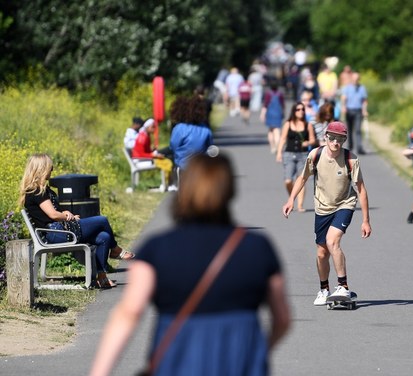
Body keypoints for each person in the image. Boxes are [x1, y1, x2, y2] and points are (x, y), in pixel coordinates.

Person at [90, 153, 290, 376]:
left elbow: (129, 313)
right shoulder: (257, 248)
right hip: (242, 364)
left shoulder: (157, 249)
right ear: (229, 192)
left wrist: (99, 372)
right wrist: (257, 353)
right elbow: (281, 319)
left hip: (177, 363)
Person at [282, 121, 372, 306]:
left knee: (333, 241)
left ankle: (343, 286)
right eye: (332, 138)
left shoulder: (351, 159)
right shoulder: (315, 155)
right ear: (326, 138)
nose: (335, 142)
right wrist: (291, 199)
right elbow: (303, 178)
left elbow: (361, 190)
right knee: (322, 252)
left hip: (345, 204)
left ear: (344, 140)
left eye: (340, 139)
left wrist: (365, 220)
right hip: (322, 207)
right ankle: (324, 289)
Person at [19, 154, 135, 289]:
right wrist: (69, 217)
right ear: (42, 168)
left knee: (104, 237)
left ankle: (102, 278)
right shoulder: (36, 191)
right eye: (50, 168)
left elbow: (53, 213)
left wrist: (65, 213)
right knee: (102, 220)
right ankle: (115, 250)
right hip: (55, 233)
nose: (52, 170)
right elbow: (53, 214)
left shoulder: (42, 190)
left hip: (58, 230)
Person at [276, 102, 316, 212]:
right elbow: (283, 139)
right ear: (294, 111)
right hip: (289, 154)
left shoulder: (308, 125)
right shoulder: (288, 124)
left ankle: (300, 205)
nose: (301, 111)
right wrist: (279, 152)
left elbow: (313, 140)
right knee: (288, 180)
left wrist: (307, 143)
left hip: (303, 155)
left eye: (302, 109)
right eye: (298, 109)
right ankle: (292, 198)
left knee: (301, 179)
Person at [169, 95, 213, 170]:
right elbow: (210, 147)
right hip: (201, 167)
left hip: (183, 167)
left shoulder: (179, 128)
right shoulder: (205, 129)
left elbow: (173, 146)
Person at [132, 118, 174, 189]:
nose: (154, 129)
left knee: (169, 158)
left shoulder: (146, 136)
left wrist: (153, 152)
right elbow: (140, 154)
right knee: (167, 162)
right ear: (147, 127)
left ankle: (169, 184)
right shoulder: (142, 137)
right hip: (140, 160)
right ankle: (167, 184)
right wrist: (154, 155)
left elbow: (146, 151)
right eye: (152, 127)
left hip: (145, 158)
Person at [341, 72, 368, 154]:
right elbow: (344, 98)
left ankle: (359, 147)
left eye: (357, 79)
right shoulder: (347, 88)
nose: (355, 80)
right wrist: (343, 106)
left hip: (358, 111)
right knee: (349, 129)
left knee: (358, 129)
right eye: (354, 79)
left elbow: (364, 100)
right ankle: (350, 146)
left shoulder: (362, 88)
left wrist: (364, 110)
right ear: (352, 79)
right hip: (349, 110)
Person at [260, 82, 285, 154]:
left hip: (270, 113)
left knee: (270, 131)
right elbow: (282, 105)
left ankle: (272, 146)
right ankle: (277, 145)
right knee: (277, 131)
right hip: (278, 113)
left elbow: (265, 104)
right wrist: (283, 113)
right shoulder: (280, 94)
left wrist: (262, 114)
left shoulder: (268, 94)